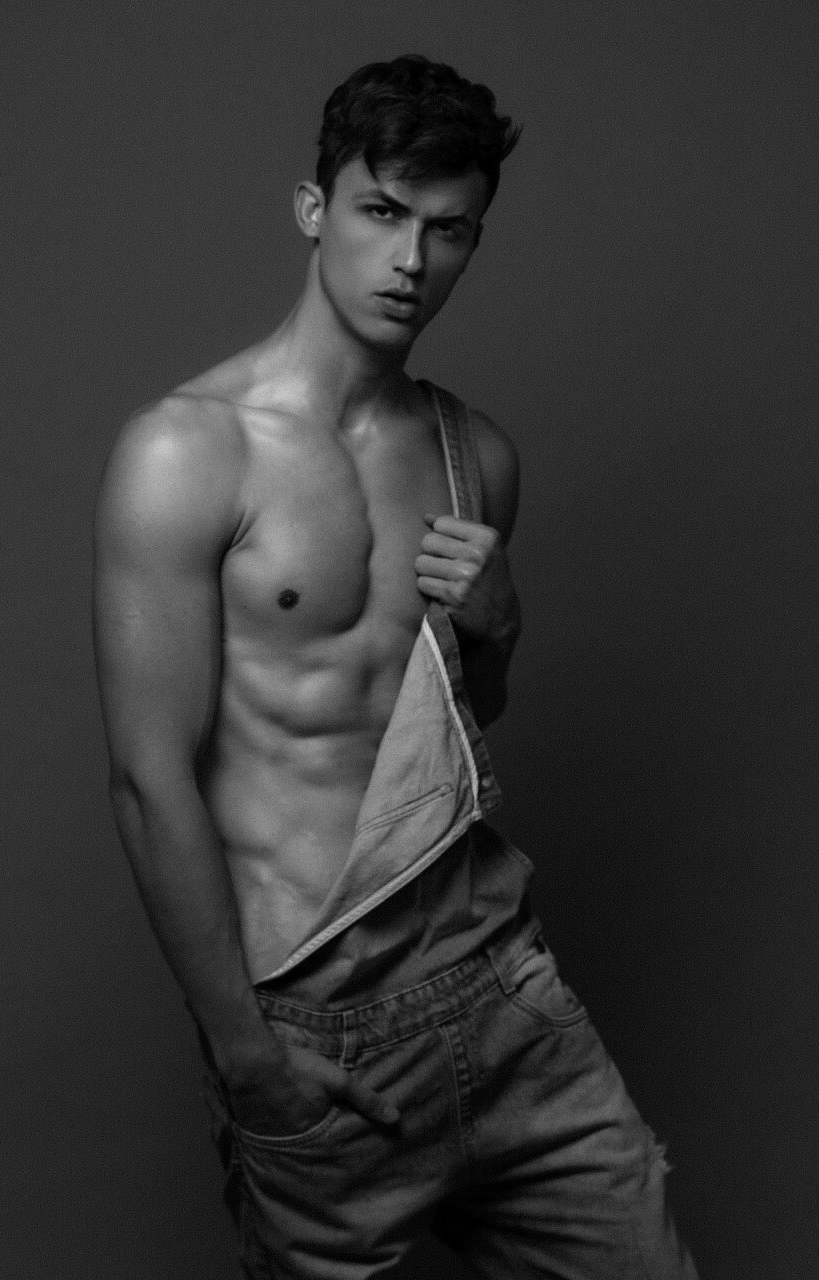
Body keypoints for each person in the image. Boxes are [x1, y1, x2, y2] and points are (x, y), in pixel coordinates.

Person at [93, 54, 698, 1280]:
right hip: (321, 1032)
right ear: (314, 209)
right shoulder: (186, 453)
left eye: (447, 229)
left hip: (504, 993)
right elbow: (150, 780)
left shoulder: (477, 456)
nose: (409, 259)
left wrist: (499, 626)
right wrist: (246, 1055)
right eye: (381, 211)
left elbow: (454, 735)